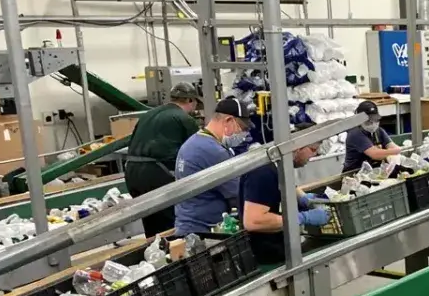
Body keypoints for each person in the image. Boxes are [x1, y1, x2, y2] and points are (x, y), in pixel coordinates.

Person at [239, 122, 329, 266]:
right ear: (298, 147)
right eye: (312, 150)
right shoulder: (263, 173)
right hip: (264, 256)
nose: (314, 155)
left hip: (279, 245)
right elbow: (253, 221)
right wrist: (302, 218)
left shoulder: (279, 165)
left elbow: (283, 182)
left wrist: (304, 197)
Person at [124, 83, 201, 236]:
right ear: (190, 100)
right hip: (157, 174)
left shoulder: (148, 114)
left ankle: (153, 250)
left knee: (151, 222)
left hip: (132, 173)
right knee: (170, 226)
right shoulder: (184, 119)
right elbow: (198, 150)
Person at [173, 98, 256, 236]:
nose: (243, 135)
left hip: (188, 225)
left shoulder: (195, 141)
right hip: (203, 231)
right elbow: (239, 192)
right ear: (229, 121)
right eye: (242, 129)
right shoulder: (212, 150)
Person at [343, 101, 399, 172]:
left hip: (371, 171)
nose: (373, 124)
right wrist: (392, 153)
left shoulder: (379, 131)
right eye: (369, 121)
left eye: (376, 120)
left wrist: (394, 155)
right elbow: (375, 154)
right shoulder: (355, 134)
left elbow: (393, 147)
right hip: (354, 173)